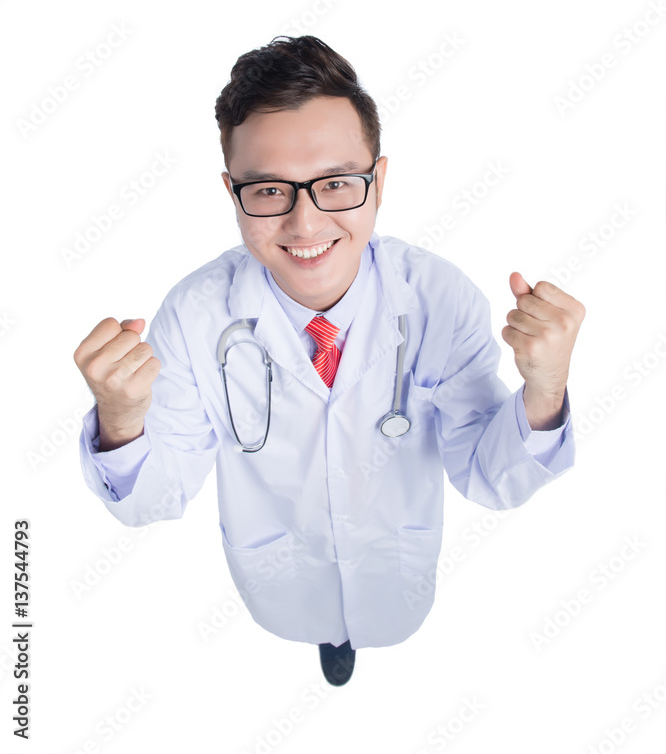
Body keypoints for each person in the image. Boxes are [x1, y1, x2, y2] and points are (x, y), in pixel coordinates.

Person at [74, 34, 585, 687]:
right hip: (278, 574)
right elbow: (154, 499)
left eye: (335, 184)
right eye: (268, 191)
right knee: (310, 620)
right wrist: (120, 418)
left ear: (378, 182)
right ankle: (327, 639)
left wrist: (543, 390)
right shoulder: (196, 313)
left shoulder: (437, 297)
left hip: (394, 565)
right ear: (232, 192)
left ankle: (352, 638)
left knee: (380, 615)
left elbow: (488, 479)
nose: (306, 225)